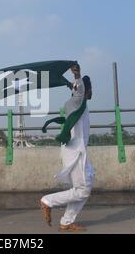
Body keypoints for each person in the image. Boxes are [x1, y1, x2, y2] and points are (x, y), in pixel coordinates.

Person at [39, 64, 94, 232]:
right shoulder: (78, 100)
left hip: (74, 150)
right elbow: (79, 91)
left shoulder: (74, 103)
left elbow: (77, 92)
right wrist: (77, 75)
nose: (92, 93)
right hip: (75, 152)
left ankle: (66, 221)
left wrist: (74, 84)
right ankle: (48, 201)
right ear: (86, 89)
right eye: (91, 89)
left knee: (86, 183)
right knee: (83, 189)